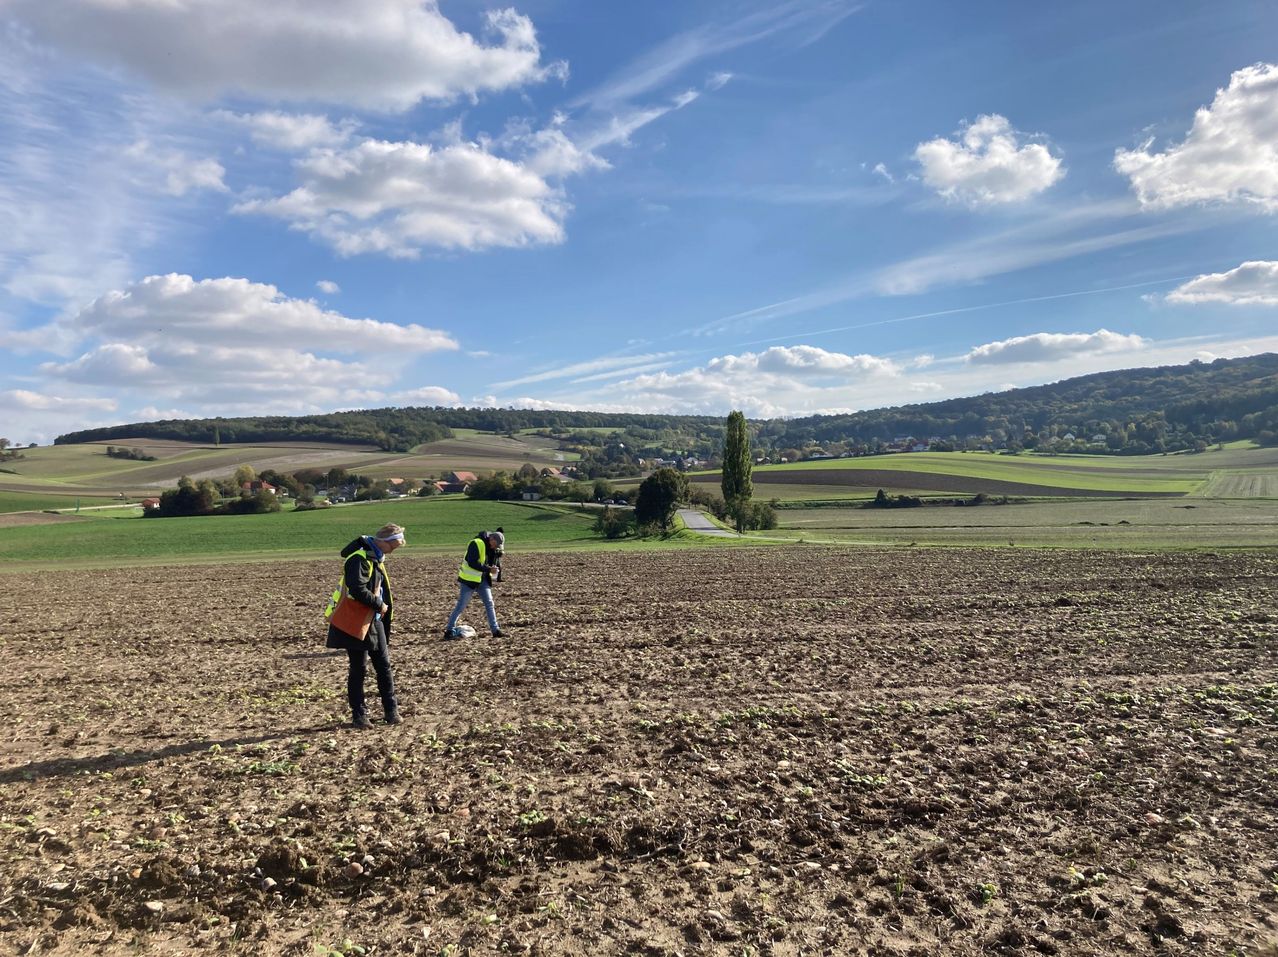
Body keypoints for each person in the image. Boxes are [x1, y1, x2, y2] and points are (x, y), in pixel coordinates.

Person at [326, 523, 406, 728]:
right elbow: (357, 589)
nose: (394, 550)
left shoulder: (375, 558)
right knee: (358, 669)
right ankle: (359, 715)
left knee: (384, 667)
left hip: (374, 621)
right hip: (356, 622)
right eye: (393, 546)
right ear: (383, 542)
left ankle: (391, 710)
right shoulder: (359, 559)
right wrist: (379, 604)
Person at [444, 527, 506, 639]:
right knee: (461, 605)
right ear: (491, 539)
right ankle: (449, 630)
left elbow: (491, 562)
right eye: (495, 545)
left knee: (489, 603)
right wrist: (488, 569)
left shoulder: (491, 548)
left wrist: (495, 566)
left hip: (482, 580)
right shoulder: (476, 543)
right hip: (468, 581)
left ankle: (495, 630)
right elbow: (472, 563)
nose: (495, 547)